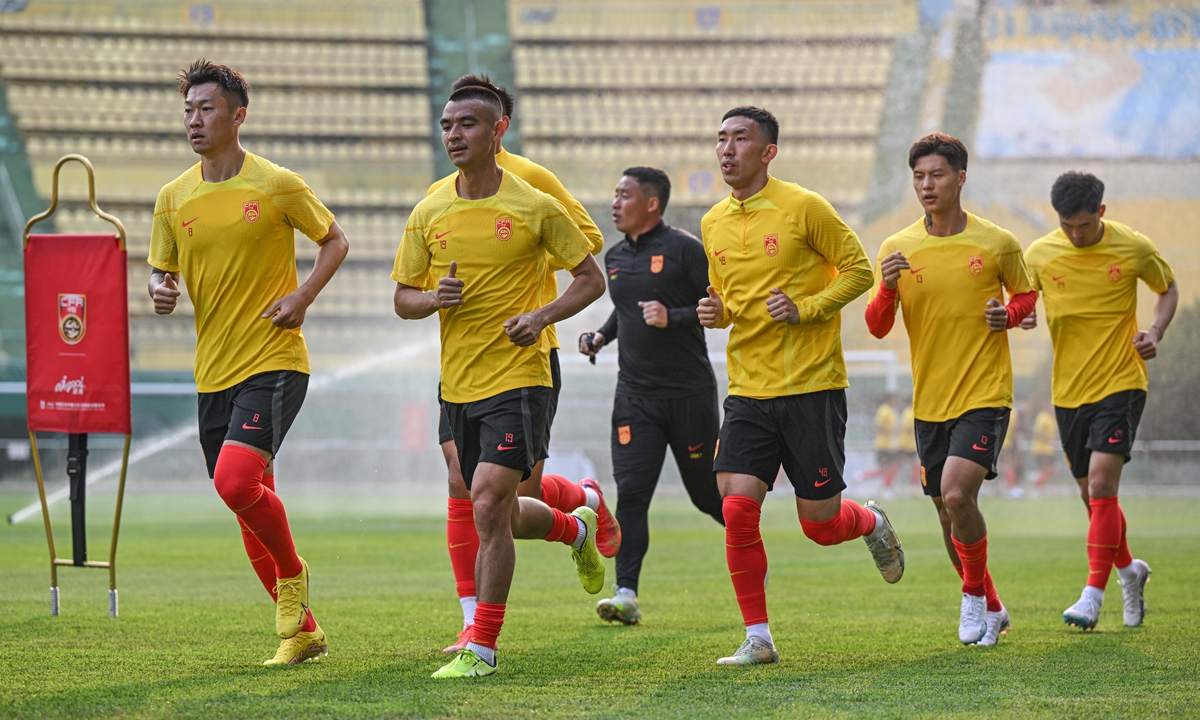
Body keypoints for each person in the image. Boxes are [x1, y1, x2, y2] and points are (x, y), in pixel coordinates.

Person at [393, 84, 607, 678]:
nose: (453, 134)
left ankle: (480, 644)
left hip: (521, 371)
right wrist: (433, 297)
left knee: (485, 498)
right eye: (446, 124)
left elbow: (590, 274)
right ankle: (575, 525)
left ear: (498, 130)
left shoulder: (537, 201)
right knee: (497, 509)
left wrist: (539, 315)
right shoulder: (430, 209)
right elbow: (402, 299)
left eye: (466, 123)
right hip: (458, 380)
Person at [148, 60, 348, 666]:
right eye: (188, 110)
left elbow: (335, 240)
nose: (194, 120)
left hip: (274, 357)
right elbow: (163, 271)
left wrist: (302, 297)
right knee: (246, 500)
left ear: (238, 116)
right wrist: (160, 290)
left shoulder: (277, 183)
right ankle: (303, 632)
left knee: (235, 481)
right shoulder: (172, 197)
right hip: (212, 369)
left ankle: (292, 577)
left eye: (206, 109)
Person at [698, 106, 904, 666]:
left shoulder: (804, 207)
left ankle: (869, 521)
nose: (727, 149)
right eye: (721, 139)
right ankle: (758, 637)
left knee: (820, 525)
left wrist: (807, 308)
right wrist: (716, 313)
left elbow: (859, 271)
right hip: (747, 388)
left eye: (741, 138)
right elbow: (729, 302)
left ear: (768, 152)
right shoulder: (712, 222)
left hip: (812, 386)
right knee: (737, 508)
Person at [864, 133, 1037, 646]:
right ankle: (994, 605)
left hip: (985, 393)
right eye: (919, 176)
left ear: (960, 178)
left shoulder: (997, 242)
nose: (926, 185)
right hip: (930, 401)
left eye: (936, 175)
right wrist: (889, 286)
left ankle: (971, 598)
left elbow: (1026, 297)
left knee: (959, 493)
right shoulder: (896, 247)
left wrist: (1007, 315)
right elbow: (876, 325)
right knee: (944, 508)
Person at [1023, 171, 1177, 630]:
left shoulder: (1133, 247)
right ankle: (1130, 570)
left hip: (1121, 382)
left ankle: (1093, 594)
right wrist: (1022, 316)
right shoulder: (1040, 254)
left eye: (1084, 226)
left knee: (1103, 486)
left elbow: (1167, 288)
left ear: (1102, 214)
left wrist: (1156, 331)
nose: (1075, 234)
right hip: (1069, 392)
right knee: (1093, 497)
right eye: (1067, 225)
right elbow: (1023, 301)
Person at [579, 167, 724, 625]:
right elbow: (626, 313)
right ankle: (626, 594)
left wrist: (674, 316)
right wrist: (601, 337)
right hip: (636, 398)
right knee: (633, 495)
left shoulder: (685, 249)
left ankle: (748, 535)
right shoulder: (616, 256)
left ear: (652, 203)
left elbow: (720, 309)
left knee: (706, 497)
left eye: (624, 195)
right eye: (615, 194)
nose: (615, 203)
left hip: (689, 396)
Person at [1031, 403, 1059, 489]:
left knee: (1051, 470)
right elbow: (1036, 432)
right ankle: (1036, 485)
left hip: (1048, 449)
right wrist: (1047, 438)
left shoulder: (1051, 418)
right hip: (1041, 449)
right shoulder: (1042, 417)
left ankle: (1037, 482)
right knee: (1047, 469)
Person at [899, 401, 920, 489]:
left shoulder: (911, 412)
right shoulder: (908, 413)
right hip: (906, 445)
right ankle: (887, 485)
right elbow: (906, 427)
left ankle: (913, 485)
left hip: (910, 445)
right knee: (896, 465)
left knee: (915, 465)